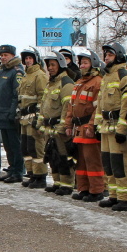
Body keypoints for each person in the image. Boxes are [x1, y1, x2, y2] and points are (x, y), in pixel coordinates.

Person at [95, 42, 127, 211]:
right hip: (106, 127)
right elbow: (100, 103)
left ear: (119, 55)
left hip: (117, 127)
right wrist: (97, 125)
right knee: (109, 163)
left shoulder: (124, 75)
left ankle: (126, 198)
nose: (106, 58)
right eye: (105, 55)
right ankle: (114, 195)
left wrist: (122, 128)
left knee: (121, 163)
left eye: (110, 55)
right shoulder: (106, 77)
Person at [65, 50, 105, 201]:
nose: (82, 65)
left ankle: (96, 190)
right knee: (80, 161)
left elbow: (98, 107)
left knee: (92, 160)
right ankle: (83, 189)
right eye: (81, 63)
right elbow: (71, 106)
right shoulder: (79, 83)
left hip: (88, 128)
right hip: (78, 129)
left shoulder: (98, 82)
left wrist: (92, 126)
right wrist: (68, 124)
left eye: (85, 63)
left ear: (93, 64)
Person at [38, 51, 76, 195]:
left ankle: (67, 184)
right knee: (52, 156)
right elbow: (44, 105)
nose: (50, 68)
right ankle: (57, 182)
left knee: (63, 157)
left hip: (59, 128)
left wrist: (63, 126)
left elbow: (67, 108)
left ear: (60, 65)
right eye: (48, 65)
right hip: (48, 127)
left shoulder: (66, 84)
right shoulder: (51, 83)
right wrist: (41, 123)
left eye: (53, 65)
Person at [0, 45, 25, 184]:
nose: (3, 57)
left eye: (6, 55)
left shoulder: (16, 72)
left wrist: (12, 113)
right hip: (0, 113)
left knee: (14, 144)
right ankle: (12, 168)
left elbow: (16, 95)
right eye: (1, 55)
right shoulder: (1, 71)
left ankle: (18, 171)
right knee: (7, 145)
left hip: (10, 114)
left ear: (13, 55)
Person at [18, 47, 50, 188]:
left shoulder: (40, 75)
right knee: (26, 147)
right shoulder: (25, 75)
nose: (28, 60)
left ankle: (40, 177)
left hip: (34, 117)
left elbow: (43, 97)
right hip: (24, 117)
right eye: (26, 58)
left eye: (30, 58)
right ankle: (31, 174)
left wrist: (38, 116)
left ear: (36, 59)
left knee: (36, 147)